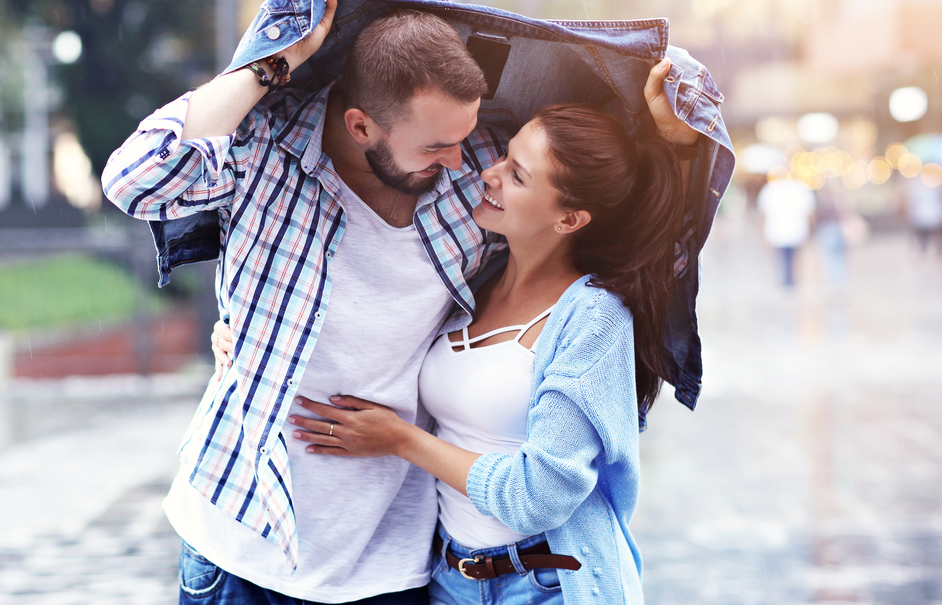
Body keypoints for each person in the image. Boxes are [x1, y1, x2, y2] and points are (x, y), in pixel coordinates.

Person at [104, 0, 500, 604]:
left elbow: (583, 230)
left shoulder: (474, 163)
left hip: (389, 557)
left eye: (462, 139)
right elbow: (135, 181)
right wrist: (271, 63)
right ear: (360, 124)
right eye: (434, 148)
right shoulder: (262, 149)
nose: (458, 161)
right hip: (244, 533)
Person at [278, 103, 684, 605]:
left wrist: (400, 440)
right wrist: (237, 328)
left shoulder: (594, 320)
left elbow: (539, 496)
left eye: (516, 175)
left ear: (569, 218)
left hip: (546, 584)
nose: (488, 174)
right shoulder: (472, 279)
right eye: (504, 159)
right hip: (450, 579)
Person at [756, 170, 816, 288]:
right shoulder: (801, 189)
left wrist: (761, 231)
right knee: (793, 259)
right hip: (796, 231)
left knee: (782, 259)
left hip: (777, 232)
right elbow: (811, 214)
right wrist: (811, 230)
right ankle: (790, 282)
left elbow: (762, 214)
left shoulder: (770, 189)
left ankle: (785, 282)